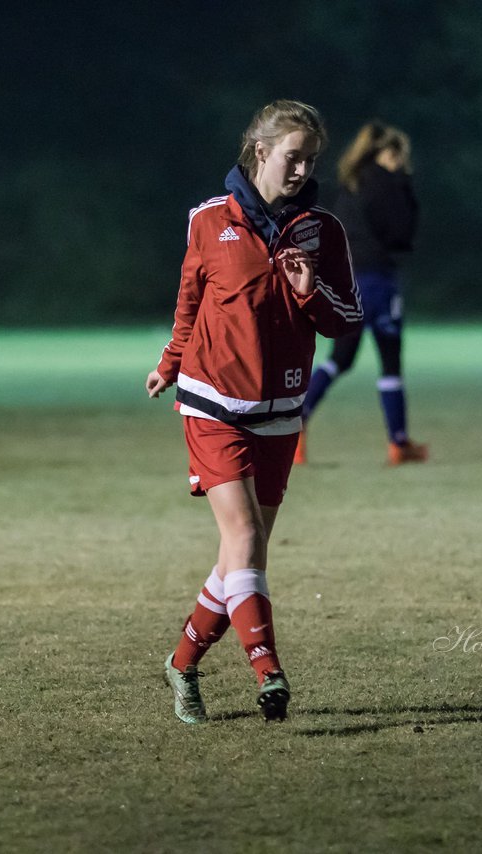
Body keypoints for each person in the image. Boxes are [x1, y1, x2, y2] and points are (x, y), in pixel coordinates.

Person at [145, 99, 363, 724]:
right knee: (242, 537)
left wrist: (308, 292)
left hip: (281, 407)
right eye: (294, 157)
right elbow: (190, 300)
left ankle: (183, 663)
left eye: (311, 160)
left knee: (244, 553)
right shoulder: (210, 221)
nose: (302, 170)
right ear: (260, 151)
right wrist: (170, 360)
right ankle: (268, 671)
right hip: (212, 399)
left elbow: (348, 320)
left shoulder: (324, 231)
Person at [295, 121, 428, 466]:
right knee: (390, 361)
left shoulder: (351, 185)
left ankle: (295, 425)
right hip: (378, 281)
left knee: (340, 358)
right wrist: (406, 190)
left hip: (347, 280)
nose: (402, 162)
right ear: (386, 153)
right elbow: (402, 233)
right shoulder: (390, 186)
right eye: (399, 155)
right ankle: (398, 443)